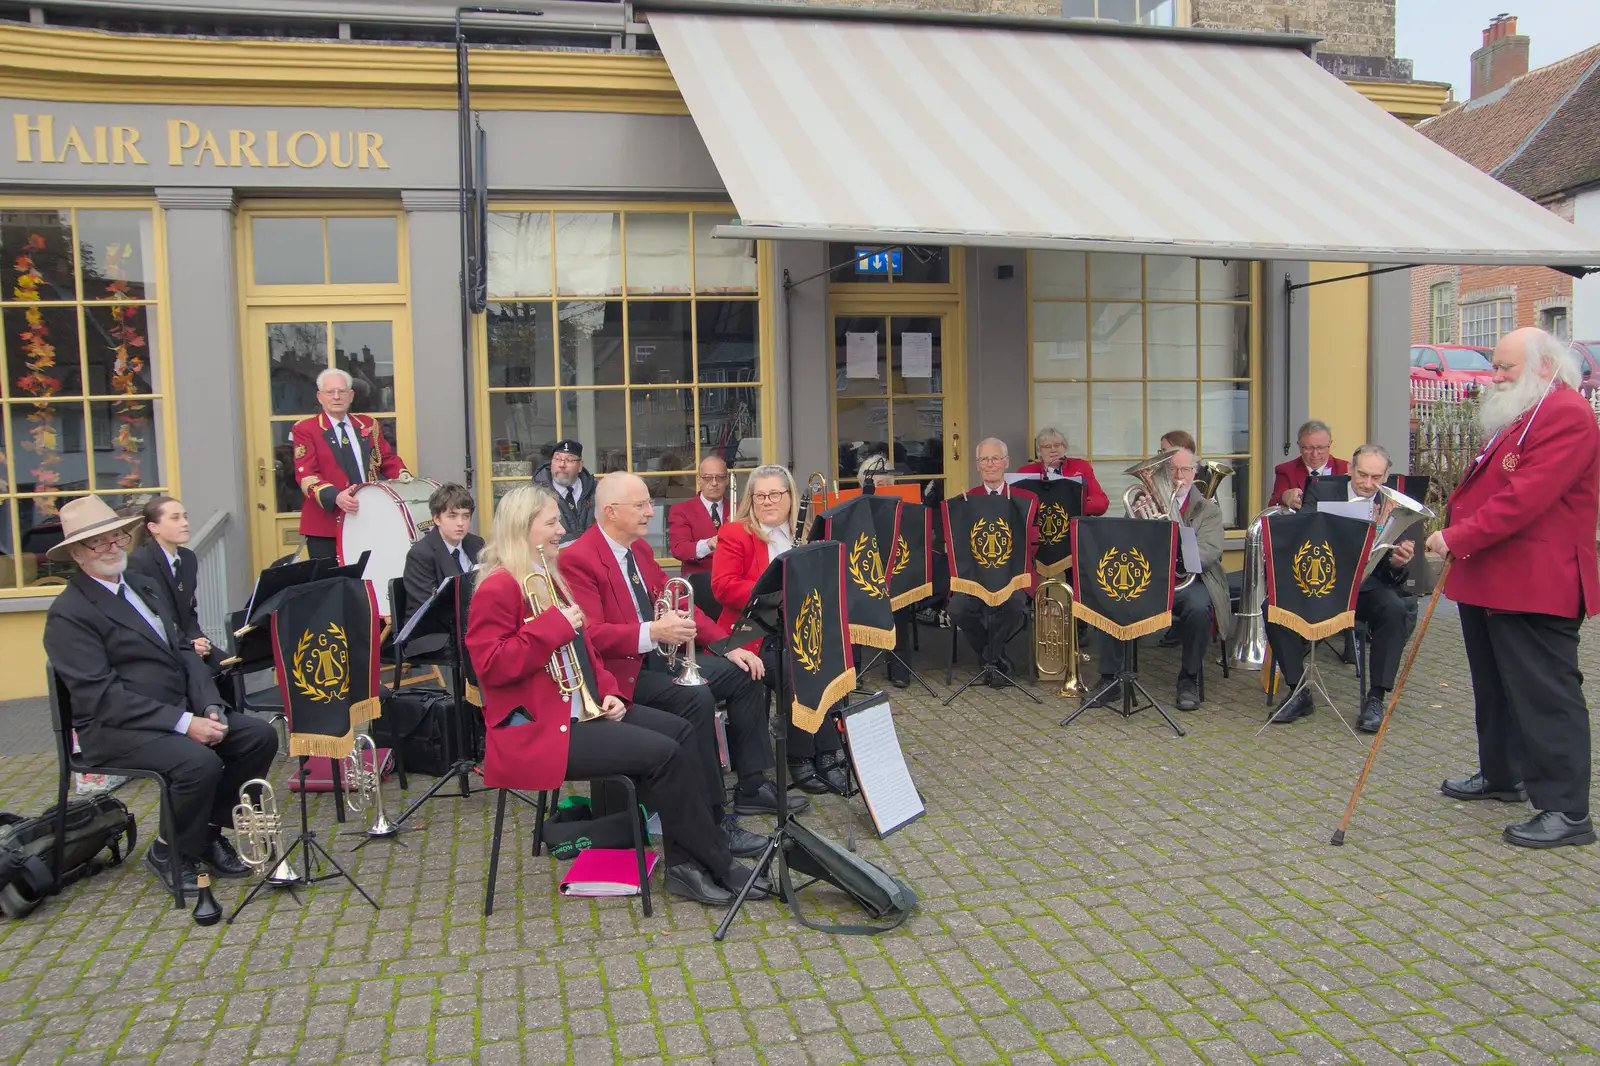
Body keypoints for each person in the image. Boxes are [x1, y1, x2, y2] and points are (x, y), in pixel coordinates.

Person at [464, 484, 766, 905]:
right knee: (666, 754)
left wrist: (608, 693)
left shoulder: (549, 576)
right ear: (522, 528)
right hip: (542, 732)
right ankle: (714, 860)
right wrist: (552, 628)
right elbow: (491, 667)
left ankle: (687, 863)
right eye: (551, 522)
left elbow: (587, 653)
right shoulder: (500, 586)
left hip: (581, 712)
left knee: (681, 731)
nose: (560, 530)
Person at [42, 497, 278, 896]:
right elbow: (103, 697)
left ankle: (203, 833)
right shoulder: (69, 614)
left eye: (117, 535)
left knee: (259, 737)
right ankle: (169, 850)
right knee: (197, 763)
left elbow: (185, 651)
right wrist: (186, 724)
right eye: (100, 543)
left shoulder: (141, 584)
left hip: (180, 710)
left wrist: (210, 706)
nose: (115, 546)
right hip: (118, 729)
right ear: (77, 554)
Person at [561, 473, 801, 855]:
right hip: (619, 676)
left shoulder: (638, 550)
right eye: (639, 505)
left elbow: (680, 603)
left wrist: (727, 646)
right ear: (610, 512)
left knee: (746, 673)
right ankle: (713, 818)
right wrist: (652, 631)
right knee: (697, 699)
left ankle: (752, 785)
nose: (649, 512)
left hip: (660, 659)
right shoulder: (577, 559)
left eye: (647, 503)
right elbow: (589, 636)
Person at [1425, 328, 1599, 849]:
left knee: (1546, 696)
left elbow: (1526, 498)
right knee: (1496, 687)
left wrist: (1456, 535)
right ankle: (1503, 775)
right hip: (1492, 576)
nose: (1494, 376)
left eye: (1505, 368)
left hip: (1535, 582)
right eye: (1495, 366)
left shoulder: (1567, 414)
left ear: (1544, 366)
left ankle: (1566, 810)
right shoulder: (1525, 413)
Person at [712, 464, 850, 794]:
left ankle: (829, 753)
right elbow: (722, 586)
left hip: (799, 628)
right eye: (760, 495)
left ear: (789, 496)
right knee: (797, 667)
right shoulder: (735, 533)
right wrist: (779, 588)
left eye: (775, 494)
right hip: (753, 634)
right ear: (750, 500)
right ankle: (802, 758)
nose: (768, 501)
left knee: (828, 658)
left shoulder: (804, 533)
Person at [1265, 443, 1415, 731]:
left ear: (1385, 477)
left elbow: (1392, 567)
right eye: (1362, 475)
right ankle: (1298, 690)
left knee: (1395, 609)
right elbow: (1301, 535)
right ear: (1349, 469)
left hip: (1365, 585)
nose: (1368, 484)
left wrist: (1397, 562)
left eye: (1376, 478)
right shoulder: (1321, 490)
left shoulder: (1392, 503)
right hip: (1320, 579)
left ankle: (1376, 698)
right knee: (1271, 606)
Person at [1091, 447, 1231, 711]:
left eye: (1185, 469)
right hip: (1148, 581)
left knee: (1199, 608)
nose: (1179, 476)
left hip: (1188, 582)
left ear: (1195, 473)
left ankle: (1188, 679)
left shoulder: (1208, 510)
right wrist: (1139, 523)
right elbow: (1125, 545)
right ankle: (1109, 679)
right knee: (1113, 598)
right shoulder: (1145, 502)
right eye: (1173, 469)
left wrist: (1175, 542)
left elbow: (1209, 553)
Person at [291, 367, 413, 559]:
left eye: (342, 391)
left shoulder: (368, 425)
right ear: (320, 396)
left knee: (371, 579)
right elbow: (307, 475)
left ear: (351, 395)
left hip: (367, 517)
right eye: (330, 392)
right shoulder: (306, 429)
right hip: (325, 524)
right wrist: (335, 496)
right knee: (332, 583)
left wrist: (405, 478)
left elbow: (387, 460)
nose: (336, 397)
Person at [948, 438, 1038, 686]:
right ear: (977, 465)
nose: (990, 464)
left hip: (1012, 579)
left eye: (996, 458)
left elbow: (1034, 540)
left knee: (1014, 605)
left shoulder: (1025, 499)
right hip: (975, 579)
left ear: (1006, 463)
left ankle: (989, 659)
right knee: (957, 608)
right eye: (984, 459)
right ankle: (996, 658)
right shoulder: (964, 501)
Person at [125, 496, 212, 663]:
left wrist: (198, 638)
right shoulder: (139, 562)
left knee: (230, 666)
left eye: (185, 516)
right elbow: (150, 618)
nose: (185, 523)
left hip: (189, 641)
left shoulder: (188, 558)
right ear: (153, 527)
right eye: (175, 518)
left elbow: (189, 610)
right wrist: (188, 644)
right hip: (162, 649)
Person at [859, 455, 916, 689]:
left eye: (885, 484)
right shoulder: (855, 504)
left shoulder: (904, 505)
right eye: (873, 484)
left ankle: (899, 667)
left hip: (896, 570)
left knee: (899, 598)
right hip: (863, 571)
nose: (879, 489)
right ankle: (853, 669)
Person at [401, 482, 483, 625]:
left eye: (466, 516)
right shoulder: (420, 554)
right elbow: (430, 608)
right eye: (452, 516)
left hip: (471, 624)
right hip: (435, 633)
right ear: (436, 519)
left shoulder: (476, 543)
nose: (460, 523)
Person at [1016, 427, 1109, 516]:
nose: (1053, 450)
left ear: (1064, 448)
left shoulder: (1081, 467)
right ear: (1039, 452)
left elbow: (1101, 503)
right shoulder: (1025, 472)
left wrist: (1075, 506)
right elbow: (1016, 505)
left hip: (1073, 526)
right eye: (1047, 446)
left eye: (1057, 445)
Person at [668, 455, 732, 577]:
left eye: (720, 477)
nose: (714, 483)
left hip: (733, 582)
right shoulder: (681, 510)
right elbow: (679, 549)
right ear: (699, 479)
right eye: (708, 478)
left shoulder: (739, 509)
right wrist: (708, 544)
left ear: (727, 479)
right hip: (699, 584)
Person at [1269, 420, 1348, 510]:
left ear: (1330, 444)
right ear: (1299, 446)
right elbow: (1272, 506)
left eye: (1320, 448)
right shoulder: (1286, 470)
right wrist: (1284, 497)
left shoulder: (1345, 469)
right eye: (1308, 448)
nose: (1315, 454)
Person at [531, 439, 596, 543]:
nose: (562, 465)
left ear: (580, 466)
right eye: (557, 459)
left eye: (569, 460)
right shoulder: (536, 494)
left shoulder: (596, 491)